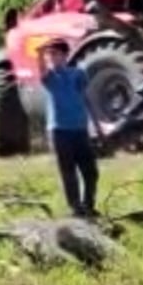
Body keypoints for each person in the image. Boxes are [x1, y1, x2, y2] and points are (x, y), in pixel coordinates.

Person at [37, 39, 104, 218]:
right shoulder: (50, 78)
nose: (52, 58)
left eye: (55, 54)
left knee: (91, 171)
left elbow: (86, 98)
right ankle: (76, 207)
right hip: (60, 131)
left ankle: (89, 205)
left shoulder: (78, 74)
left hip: (80, 129)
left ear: (65, 55)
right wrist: (39, 54)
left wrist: (97, 125)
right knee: (68, 171)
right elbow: (42, 71)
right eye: (49, 55)